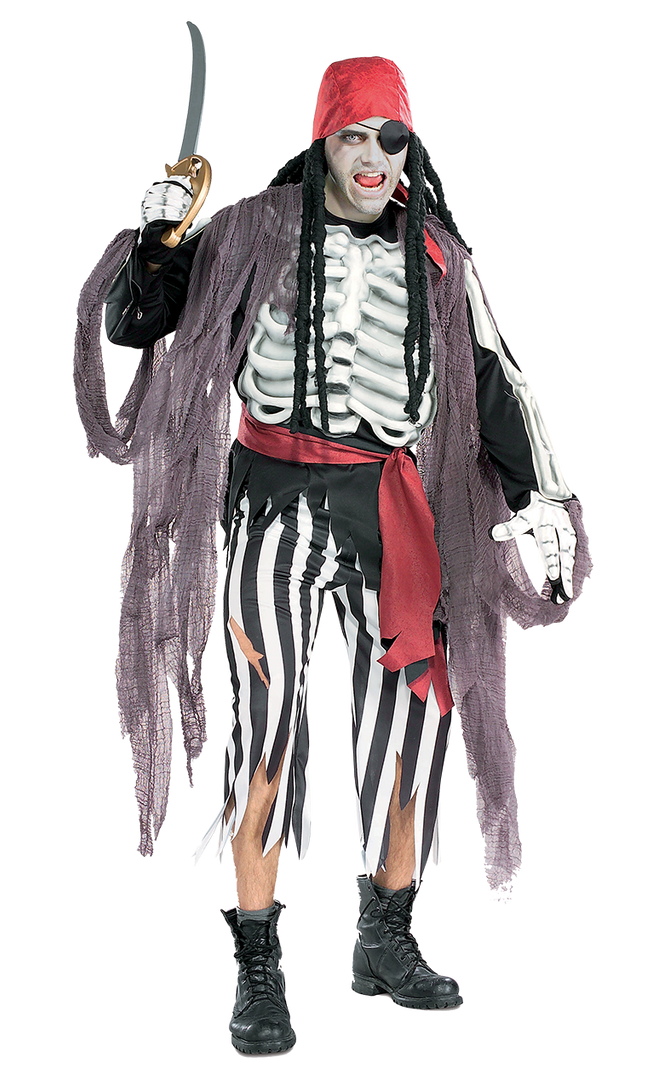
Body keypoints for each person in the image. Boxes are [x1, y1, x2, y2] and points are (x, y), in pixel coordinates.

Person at [73, 55, 592, 1056]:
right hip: (271, 502)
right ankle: (256, 962)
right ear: (322, 144)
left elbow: (499, 380)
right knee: (264, 735)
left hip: (386, 510)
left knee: (413, 730)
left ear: (411, 151)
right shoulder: (250, 234)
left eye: (390, 139)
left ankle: (382, 938)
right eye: (353, 136)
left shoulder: (439, 257)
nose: (371, 158)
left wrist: (542, 502)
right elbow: (141, 321)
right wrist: (159, 242)